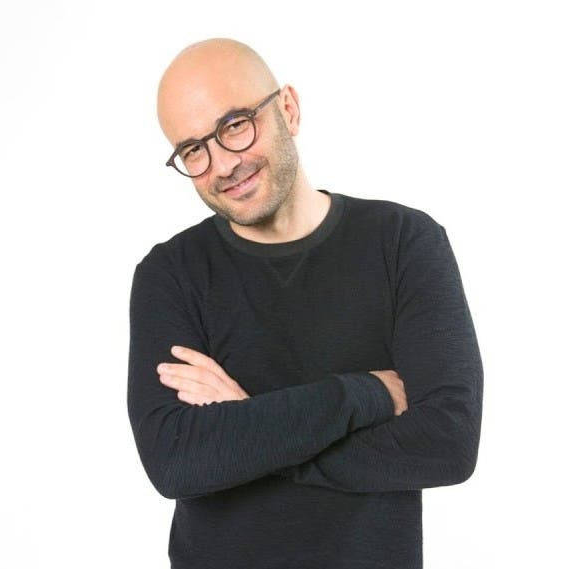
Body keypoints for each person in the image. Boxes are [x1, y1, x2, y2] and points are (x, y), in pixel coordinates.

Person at [127, 37, 484, 569]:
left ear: (288, 109)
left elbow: (447, 444)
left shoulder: (403, 242)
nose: (222, 165)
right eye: (193, 150)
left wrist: (246, 426)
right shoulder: (170, 274)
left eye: (235, 126)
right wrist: (364, 394)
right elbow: (176, 461)